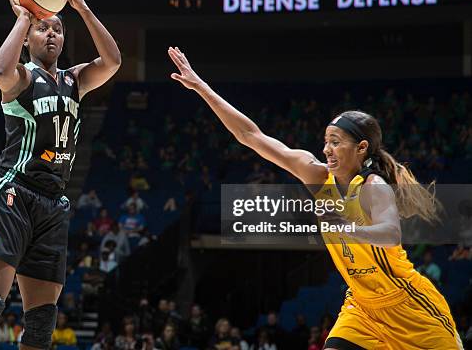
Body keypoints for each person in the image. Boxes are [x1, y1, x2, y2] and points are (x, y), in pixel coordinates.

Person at [167, 46, 463, 349]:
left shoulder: (374, 186)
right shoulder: (317, 176)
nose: (326, 149)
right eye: (325, 142)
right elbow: (251, 136)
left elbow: (390, 233)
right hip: (361, 308)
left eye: (335, 142)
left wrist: (346, 227)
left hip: (408, 306)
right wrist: (201, 86)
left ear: (361, 148)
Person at [0, 0, 120, 350]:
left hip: (53, 203)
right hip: (11, 194)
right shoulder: (23, 77)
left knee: (42, 322)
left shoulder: (76, 80)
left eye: (58, 29)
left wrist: (83, 7)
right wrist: (25, 17)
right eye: (44, 29)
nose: (53, 34)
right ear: (27, 40)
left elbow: (112, 62)